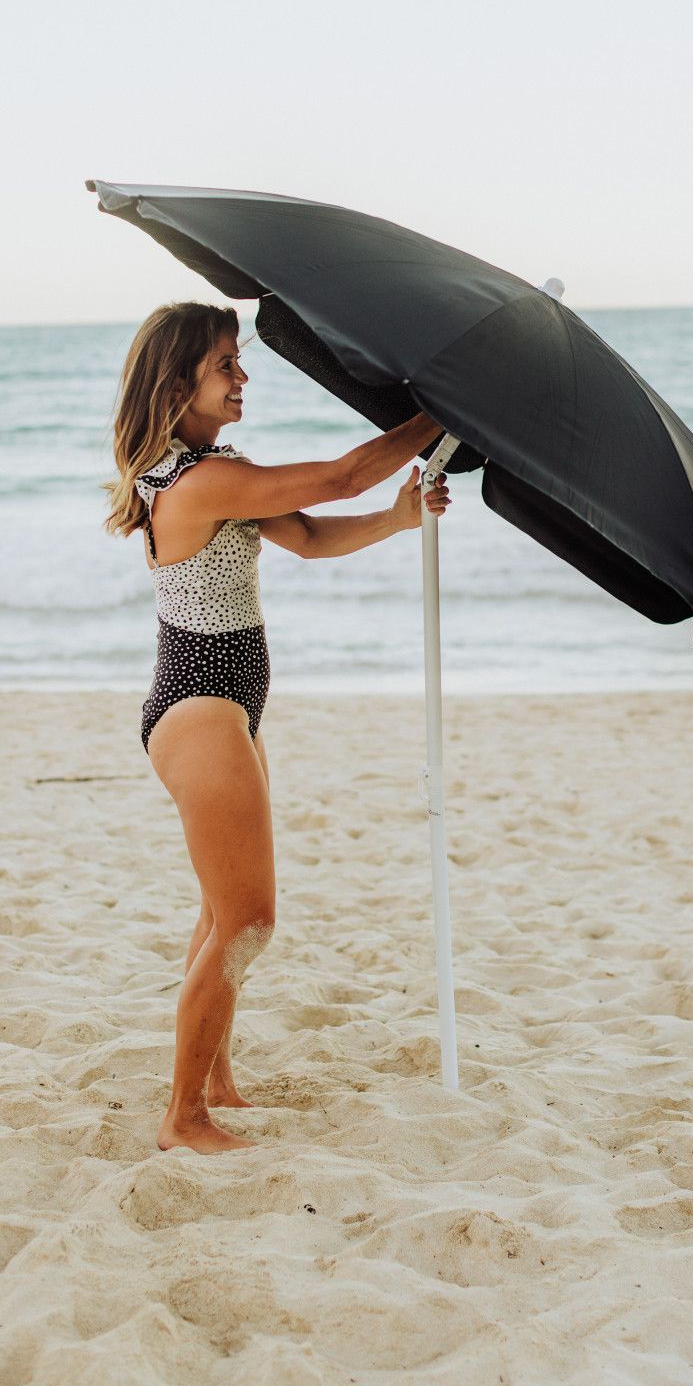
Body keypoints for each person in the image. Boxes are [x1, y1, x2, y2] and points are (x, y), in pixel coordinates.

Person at [103, 300, 449, 1153]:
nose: (242, 376)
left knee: (220, 911)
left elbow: (310, 534)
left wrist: (401, 520)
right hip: (199, 705)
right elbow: (340, 475)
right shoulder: (197, 484)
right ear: (176, 379)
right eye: (226, 363)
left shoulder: (212, 470)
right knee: (248, 922)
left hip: (226, 703)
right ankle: (183, 1118)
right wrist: (443, 411)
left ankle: (215, 1081)